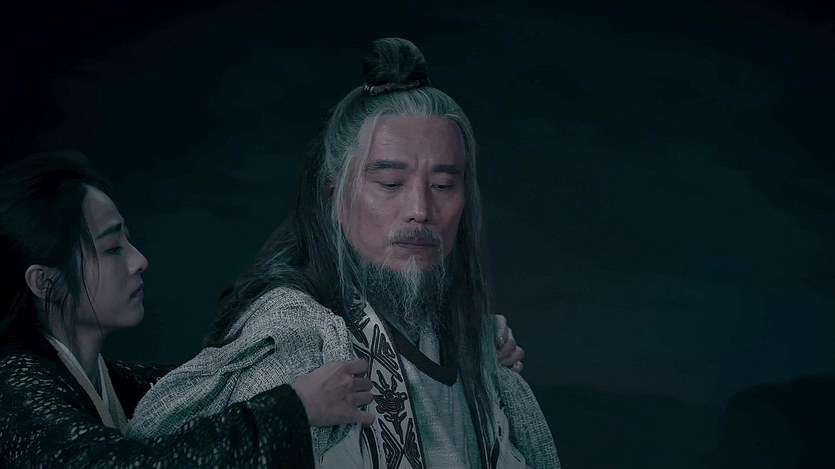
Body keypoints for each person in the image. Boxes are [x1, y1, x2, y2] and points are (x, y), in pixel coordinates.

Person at [129, 38, 559, 468]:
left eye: (443, 185)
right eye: (390, 184)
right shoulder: (301, 334)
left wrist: (482, 345)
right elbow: (153, 447)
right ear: (335, 195)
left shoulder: (471, 338)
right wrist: (288, 409)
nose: (421, 210)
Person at [0, 152, 376, 467]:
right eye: (112, 248)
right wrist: (294, 408)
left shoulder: (110, 382)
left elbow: (207, 386)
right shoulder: (13, 390)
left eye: (128, 241)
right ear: (45, 282)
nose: (139, 260)